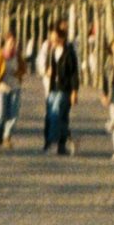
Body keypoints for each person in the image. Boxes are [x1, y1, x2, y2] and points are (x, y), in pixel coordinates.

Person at [36, 25, 80, 155]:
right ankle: (64, 143)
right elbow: (47, 68)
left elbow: (74, 74)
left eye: (55, 38)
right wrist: (48, 71)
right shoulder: (52, 52)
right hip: (52, 88)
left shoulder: (69, 53)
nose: (52, 41)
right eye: (51, 38)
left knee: (55, 114)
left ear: (62, 38)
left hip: (64, 89)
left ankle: (53, 143)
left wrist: (74, 92)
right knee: (53, 117)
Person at [0, 31, 24, 147]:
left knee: (13, 114)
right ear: (6, 43)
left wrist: (18, 72)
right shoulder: (0, 55)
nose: (12, 45)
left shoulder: (18, 55)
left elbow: (24, 69)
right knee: (1, 113)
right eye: (10, 43)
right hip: (2, 88)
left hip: (15, 87)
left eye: (14, 43)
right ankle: (0, 129)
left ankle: (7, 137)